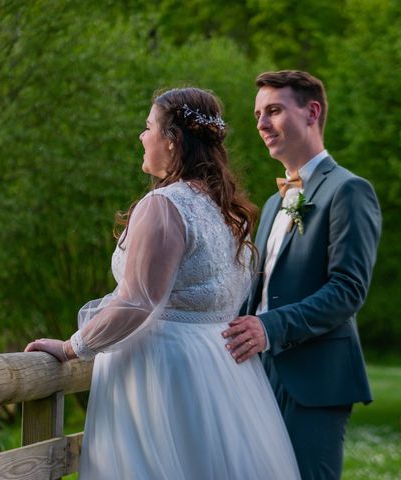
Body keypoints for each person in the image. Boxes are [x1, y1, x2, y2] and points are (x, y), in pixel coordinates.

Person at [25, 87, 301, 479]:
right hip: (220, 370)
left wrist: (73, 346)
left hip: (161, 375)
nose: (142, 137)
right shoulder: (227, 211)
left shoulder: (165, 205)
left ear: (172, 141)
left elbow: (138, 302)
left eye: (149, 126)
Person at [222, 70, 382, 479]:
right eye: (258, 114)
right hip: (257, 373)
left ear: (312, 112)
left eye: (273, 110)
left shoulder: (348, 190)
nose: (260, 123)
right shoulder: (274, 203)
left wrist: (269, 327)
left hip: (314, 380)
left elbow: (347, 290)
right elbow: (258, 291)